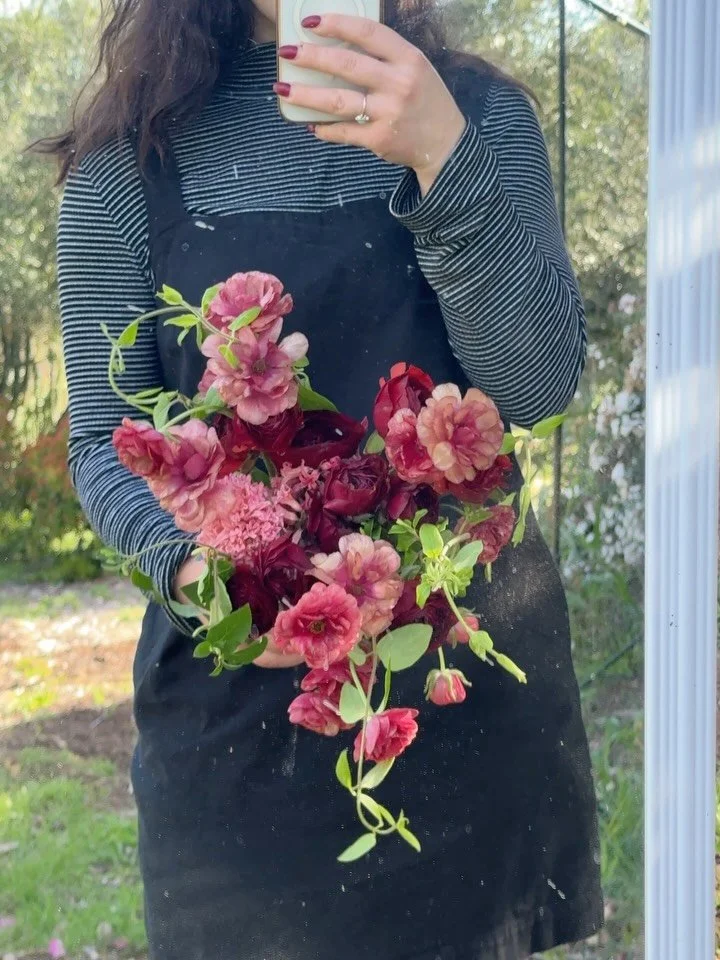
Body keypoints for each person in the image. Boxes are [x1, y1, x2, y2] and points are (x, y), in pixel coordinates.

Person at [39, 0, 604, 955]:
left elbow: (537, 384)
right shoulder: (128, 159)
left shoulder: (477, 115)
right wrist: (198, 578)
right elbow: (105, 438)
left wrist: (441, 155)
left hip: (459, 696)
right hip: (239, 733)